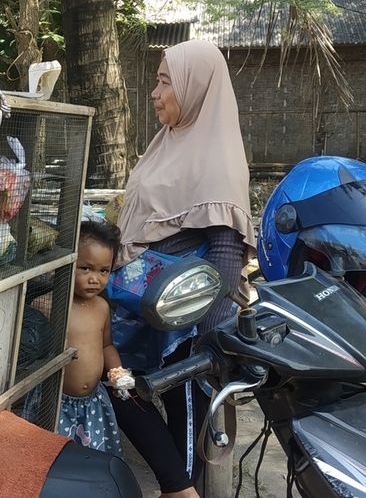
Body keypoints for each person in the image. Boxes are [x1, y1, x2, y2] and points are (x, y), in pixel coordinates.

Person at [109, 40, 256, 498]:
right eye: (157, 79)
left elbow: (227, 261)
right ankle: (179, 487)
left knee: (184, 403)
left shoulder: (219, 158)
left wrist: (201, 343)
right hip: (138, 306)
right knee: (118, 385)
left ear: (195, 88)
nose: (154, 92)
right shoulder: (168, 142)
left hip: (181, 323)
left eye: (165, 81)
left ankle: (180, 489)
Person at [58, 220, 133, 457]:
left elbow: (106, 345)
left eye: (104, 271)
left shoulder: (101, 307)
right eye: (86, 268)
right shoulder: (53, 305)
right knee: (58, 456)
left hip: (93, 403)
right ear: (69, 262)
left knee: (94, 455)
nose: (95, 279)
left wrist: (118, 372)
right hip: (57, 404)